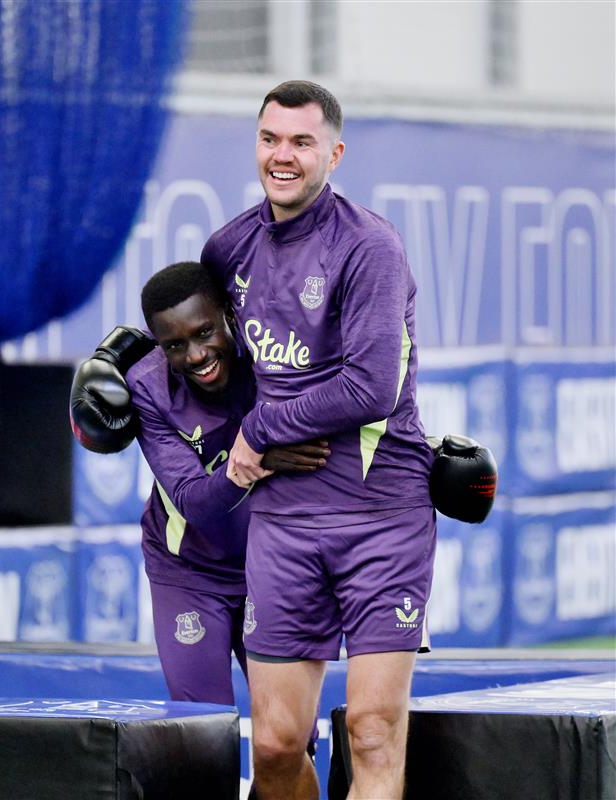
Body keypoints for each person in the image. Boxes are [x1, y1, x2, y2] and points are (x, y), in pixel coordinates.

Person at [200, 80, 435, 800]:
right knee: (273, 745)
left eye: (302, 142)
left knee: (369, 728)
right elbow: (203, 365)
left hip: (381, 518)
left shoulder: (370, 246)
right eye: (271, 139)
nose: (283, 155)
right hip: (283, 524)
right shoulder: (228, 247)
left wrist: (262, 429)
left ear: (333, 152)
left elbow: (371, 389)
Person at [70, 260, 330, 708]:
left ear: (230, 313)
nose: (194, 355)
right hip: (188, 570)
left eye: (205, 332)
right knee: (200, 729)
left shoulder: (274, 356)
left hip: (272, 565)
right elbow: (195, 502)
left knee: (290, 736)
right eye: (174, 345)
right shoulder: (148, 387)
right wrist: (261, 457)